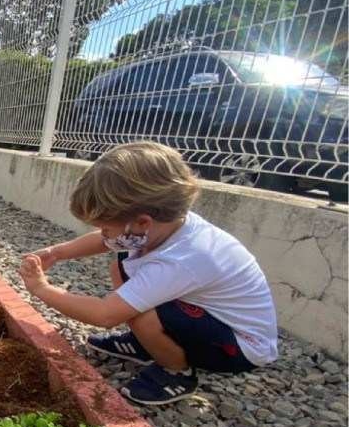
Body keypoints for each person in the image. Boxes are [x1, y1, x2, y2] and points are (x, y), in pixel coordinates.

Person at [18, 141, 278, 406]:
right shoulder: (164, 227)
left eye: (105, 227)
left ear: (142, 222)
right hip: (207, 316)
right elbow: (105, 241)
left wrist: (42, 289)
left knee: (139, 312)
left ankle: (177, 373)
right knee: (121, 264)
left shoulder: (183, 260)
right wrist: (57, 252)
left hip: (239, 346)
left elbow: (105, 314)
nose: (104, 235)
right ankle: (147, 344)